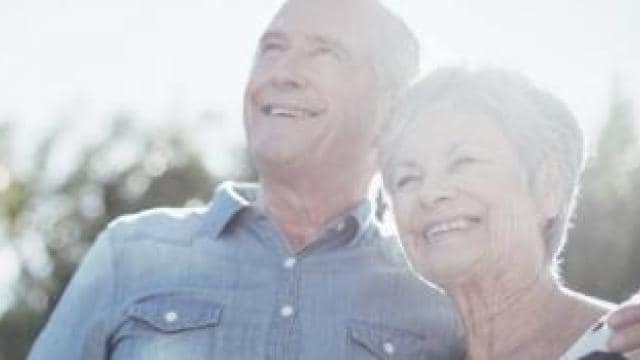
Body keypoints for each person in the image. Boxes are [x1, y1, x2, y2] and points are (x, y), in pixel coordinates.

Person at [28, 1, 466, 359]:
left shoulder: (440, 305)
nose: (282, 73)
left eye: (324, 52)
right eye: (272, 48)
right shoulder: (130, 253)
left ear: (390, 109)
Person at [381, 67, 640, 359]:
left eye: (463, 162)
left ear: (547, 187)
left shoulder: (628, 346)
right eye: (407, 179)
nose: (429, 193)